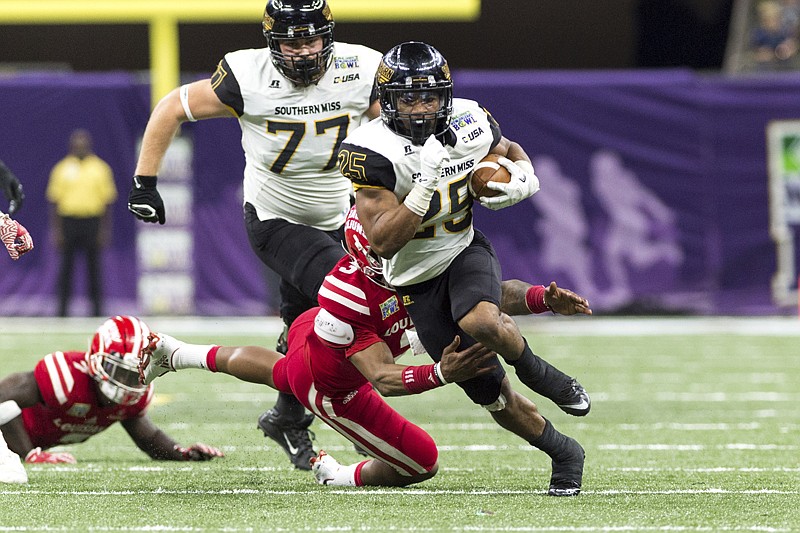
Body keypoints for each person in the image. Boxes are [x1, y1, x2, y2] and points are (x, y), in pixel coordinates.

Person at [138, 207, 591, 493]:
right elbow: (382, 378)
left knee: (280, 371)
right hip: (337, 384)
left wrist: (539, 299)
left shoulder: (414, 257)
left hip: (317, 332)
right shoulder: (350, 295)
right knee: (421, 462)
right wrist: (440, 374)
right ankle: (337, 474)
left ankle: (178, 354)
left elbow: (482, 296)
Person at [127, 0, 383, 470]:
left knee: (305, 329)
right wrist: (145, 181)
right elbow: (170, 108)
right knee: (355, 305)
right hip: (275, 218)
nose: (304, 52)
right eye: (292, 41)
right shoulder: (246, 75)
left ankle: (286, 417)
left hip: (340, 216)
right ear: (272, 42)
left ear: (328, 37)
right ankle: (366, 423)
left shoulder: (362, 65)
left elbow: (393, 125)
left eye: (311, 40)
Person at [339, 42, 588, 496]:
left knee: (479, 318)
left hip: (463, 247)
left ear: (446, 97)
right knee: (492, 396)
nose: (419, 109)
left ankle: (541, 373)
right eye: (408, 99)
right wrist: (424, 186)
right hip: (413, 277)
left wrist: (522, 179)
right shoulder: (368, 149)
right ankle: (565, 451)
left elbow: (508, 149)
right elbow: (382, 241)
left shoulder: (470, 119)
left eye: (429, 98)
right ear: (387, 100)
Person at [0, 315, 224, 465]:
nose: (125, 381)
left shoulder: (133, 397)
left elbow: (149, 438)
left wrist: (183, 454)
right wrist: (27, 454)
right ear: (96, 360)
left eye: (133, 373)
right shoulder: (67, 377)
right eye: (117, 370)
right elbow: (2, 401)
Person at [46, 129, 117, 317]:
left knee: (94, 269)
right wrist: (56, 230)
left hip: (92, 222)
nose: (80, 147)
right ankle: (62, 312)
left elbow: (107, 203)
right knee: (65, 269)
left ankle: (96, 312)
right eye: (77, 143)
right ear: (71, 146)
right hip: (68, 221)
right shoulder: (62, 168)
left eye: (83, 143)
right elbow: (54, 202)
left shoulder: (100, 168)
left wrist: (104, 230)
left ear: (89, 145)